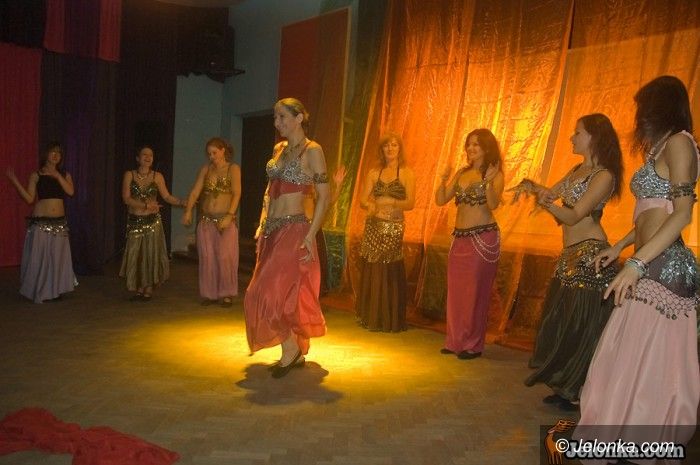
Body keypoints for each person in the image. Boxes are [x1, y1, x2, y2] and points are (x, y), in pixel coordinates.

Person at [575, 76, 700, 459]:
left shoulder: (680, 142)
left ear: (660, 106)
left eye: (644, 106)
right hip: (644, 262)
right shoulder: (659, 148)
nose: (639, 115)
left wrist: (637, 263)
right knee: (626, 357)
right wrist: (619, 247)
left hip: (664, 267)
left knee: (647, 363)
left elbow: (681, 215)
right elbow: (649, 212)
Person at [510, 114, 623, 411]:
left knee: (581, 326)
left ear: (594, 137)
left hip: (590, 255)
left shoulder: (604, 176)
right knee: (562, 322)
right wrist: (532, 187)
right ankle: (565, 384)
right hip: (569, 255)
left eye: (578, 132)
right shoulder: (576, 170)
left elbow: (573, 215)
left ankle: (575, 388)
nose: (572, 137)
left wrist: (546, 203)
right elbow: (550, 194)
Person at [244, 97, 330, 378]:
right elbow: (269, 191)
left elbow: (324, 197)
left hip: (295, 231)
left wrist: (311, 234)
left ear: (299, 118)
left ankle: (291, 350)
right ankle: (292, 352)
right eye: (275, 117)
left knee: (265, 292)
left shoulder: (313, 150)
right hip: (272, 230)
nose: (276, 122)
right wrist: (262, 224)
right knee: (276, 293)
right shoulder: (279, 149)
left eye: (281, 117)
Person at [435, 129, 504, 359]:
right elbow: (441, 199)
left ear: (486, 148)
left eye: (476, 144)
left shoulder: (495, 174)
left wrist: (487, 182)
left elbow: (493, 205)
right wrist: (443, 178)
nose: (471, 148)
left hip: (482, 239)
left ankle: (472, 344)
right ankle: (454, 341)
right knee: (456, 292)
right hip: (460, 240)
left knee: (475, 294)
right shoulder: (462, 173)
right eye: (469, 144)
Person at [355, 133, 416, 331]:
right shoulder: (374, 172)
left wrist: (391, 202)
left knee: (389, 268)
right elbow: (363, 199)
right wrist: (370, 206)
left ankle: (389, 318)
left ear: (399, 149)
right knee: (374, 268)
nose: (390, 149)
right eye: (386, 146)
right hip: (374, 226)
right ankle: (371, 316)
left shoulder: (406, 173)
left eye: (394, 145)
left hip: (394, 226)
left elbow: (410, 203)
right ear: (381, 150)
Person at [5, 142, 76, 303]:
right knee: (41, 258)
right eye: (52, 152)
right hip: (41, 222)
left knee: (57, 258)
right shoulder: (36, 175)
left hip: (59, 223)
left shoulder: (65, 174)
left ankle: (55, 290)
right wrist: (15, 181)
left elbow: (70, 191)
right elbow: (29, 199)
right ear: (46, 154)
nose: (56, 155)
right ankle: (40, 290)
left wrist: (57, 176)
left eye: (58, 153)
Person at [119, 146, 185, 301]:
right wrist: (145, 205)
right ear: (138, 158)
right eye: (144, 154)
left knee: (150, 255)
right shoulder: (129, 175)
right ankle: (138, 288)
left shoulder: (157, 176)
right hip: (135, 222)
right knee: (136, 256)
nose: (148, 157)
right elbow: (126, 199)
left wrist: (182, 202)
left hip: (153, 223)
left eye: (151, 155)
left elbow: (167, 197)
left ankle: (147, 289)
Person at [182, 138, 241, 307]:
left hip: (225, 220)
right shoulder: (206, 170)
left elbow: (237, 193)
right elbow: (195, 192)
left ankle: (227, 294)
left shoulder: (233, 169)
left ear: (223, 151)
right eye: (209, 154)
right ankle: (210, 294)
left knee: (225, 257)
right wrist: (188, 211)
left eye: (214, 153)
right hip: (207, 220)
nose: (211, 156)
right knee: (207, 257)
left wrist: (230, 215)